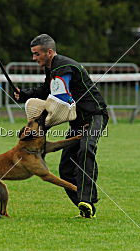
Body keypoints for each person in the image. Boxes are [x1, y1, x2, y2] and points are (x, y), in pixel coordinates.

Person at [15, 34, 109, 218]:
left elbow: (61, 94)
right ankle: (86, 208)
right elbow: (45, 91)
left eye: (36, 54)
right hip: (77, 121)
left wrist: (45, 121)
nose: (34, 58)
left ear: (49, 52)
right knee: (66, 168)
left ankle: (87, 198)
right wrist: (24, 94)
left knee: (86, 148)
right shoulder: (52, 69)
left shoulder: (63, 66)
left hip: (94, 115)